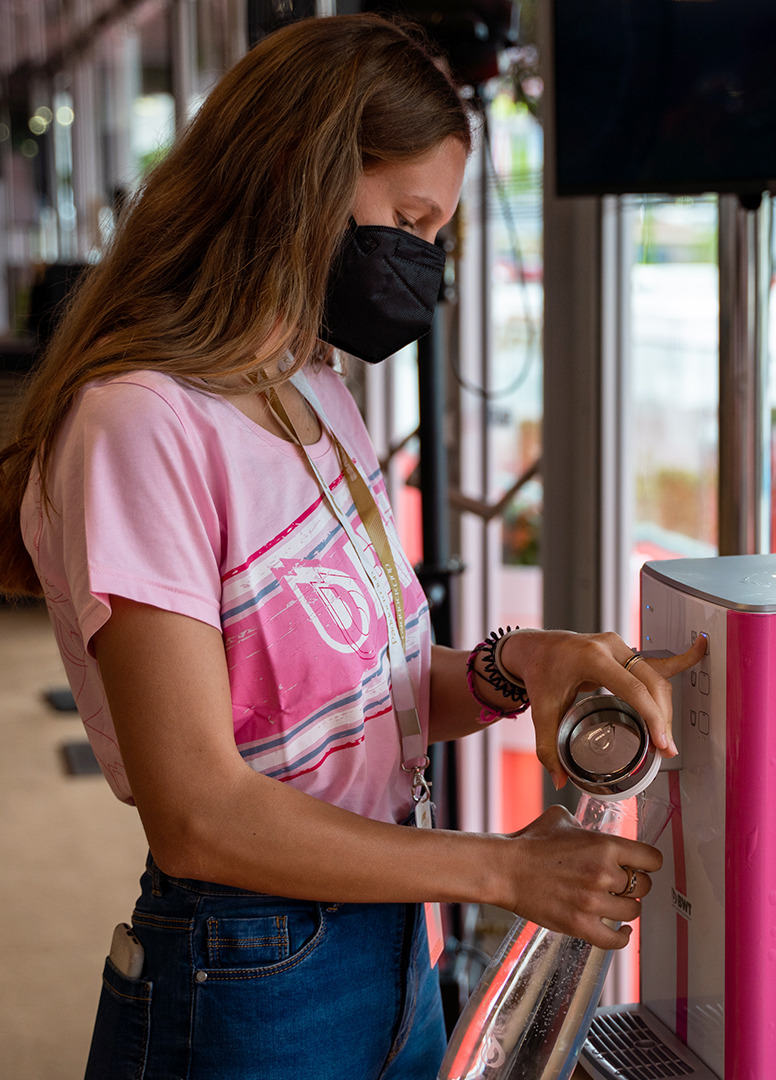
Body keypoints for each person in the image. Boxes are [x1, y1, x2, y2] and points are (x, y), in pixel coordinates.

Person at [0, 13, 705, 1080]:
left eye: (437, 235)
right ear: (301, 180)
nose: (420, 261)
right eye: (407, 219)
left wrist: (520, 664)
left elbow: (373, 701)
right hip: (247, 966)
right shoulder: (139, 423)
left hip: (388, 937)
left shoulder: (317, 394)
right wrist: (503, 872)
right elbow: (200, 813)